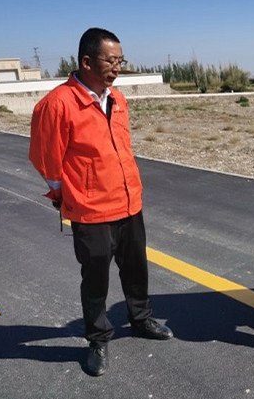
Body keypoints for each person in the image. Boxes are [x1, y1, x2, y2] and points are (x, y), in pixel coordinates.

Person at [29, 27, 172, 377]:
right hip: (91, 210)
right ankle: (97, 339)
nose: (118, 67)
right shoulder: (58, 104)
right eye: (111, 61)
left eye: (120, 60)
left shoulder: (117, 99)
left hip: (129, 203)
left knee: (136, 269)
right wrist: (64, 195)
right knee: (95, 280)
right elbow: (46, 160)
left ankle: (141, 319)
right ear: (87, 62)